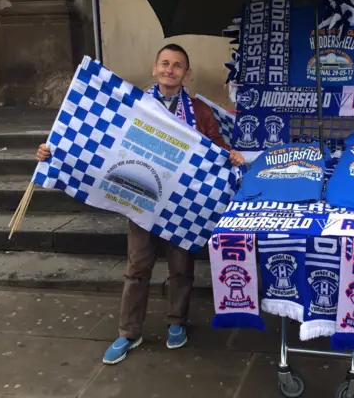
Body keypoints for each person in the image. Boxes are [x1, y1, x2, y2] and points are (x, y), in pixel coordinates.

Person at [36, 44, 244, 364]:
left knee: (181, 267)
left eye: (177, 66)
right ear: (154, 69)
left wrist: (230, 155)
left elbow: (216, 150)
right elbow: (97, 134)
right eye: (164, 63)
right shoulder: (132, 106)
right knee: (137, 267)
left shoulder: (200, 112)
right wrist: (55, 151)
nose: (169, 70)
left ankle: (177, 321)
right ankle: (128, 331)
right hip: (142, 197)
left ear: (186, 75)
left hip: (182, 203)